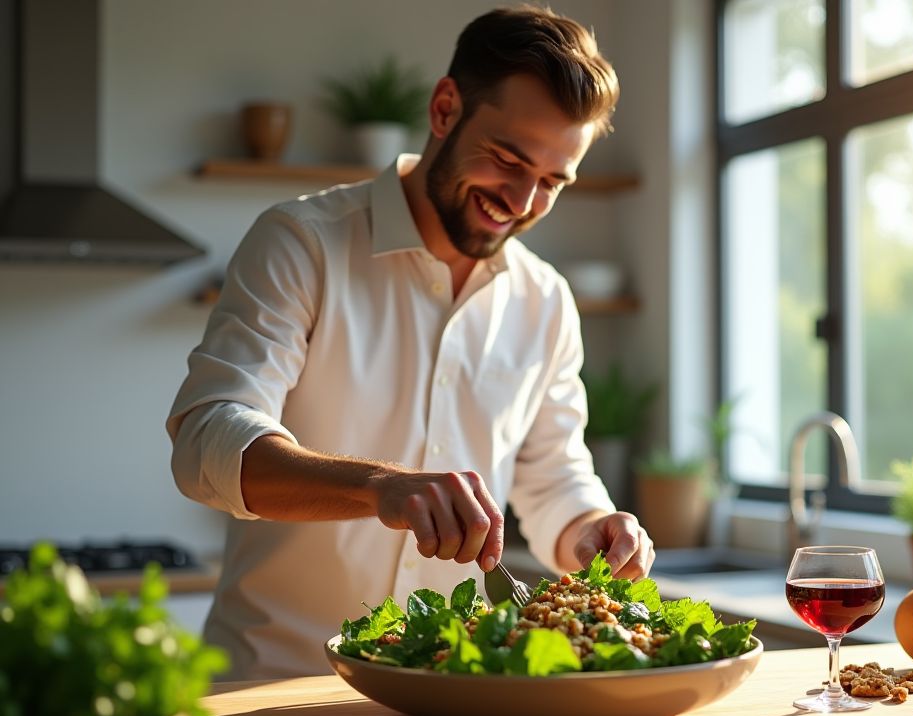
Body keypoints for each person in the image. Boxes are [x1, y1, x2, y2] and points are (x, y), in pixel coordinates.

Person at [167, 5, 655, 680]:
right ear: (446, 108)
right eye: (508, 158)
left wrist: (591, 528)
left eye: (551, 181)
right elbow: (207, 442)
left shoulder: (545, 301)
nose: (520, 200)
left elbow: (552, 477)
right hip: (275, 690)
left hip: (450, 696)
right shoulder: (302, 243)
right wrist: (378, 487)